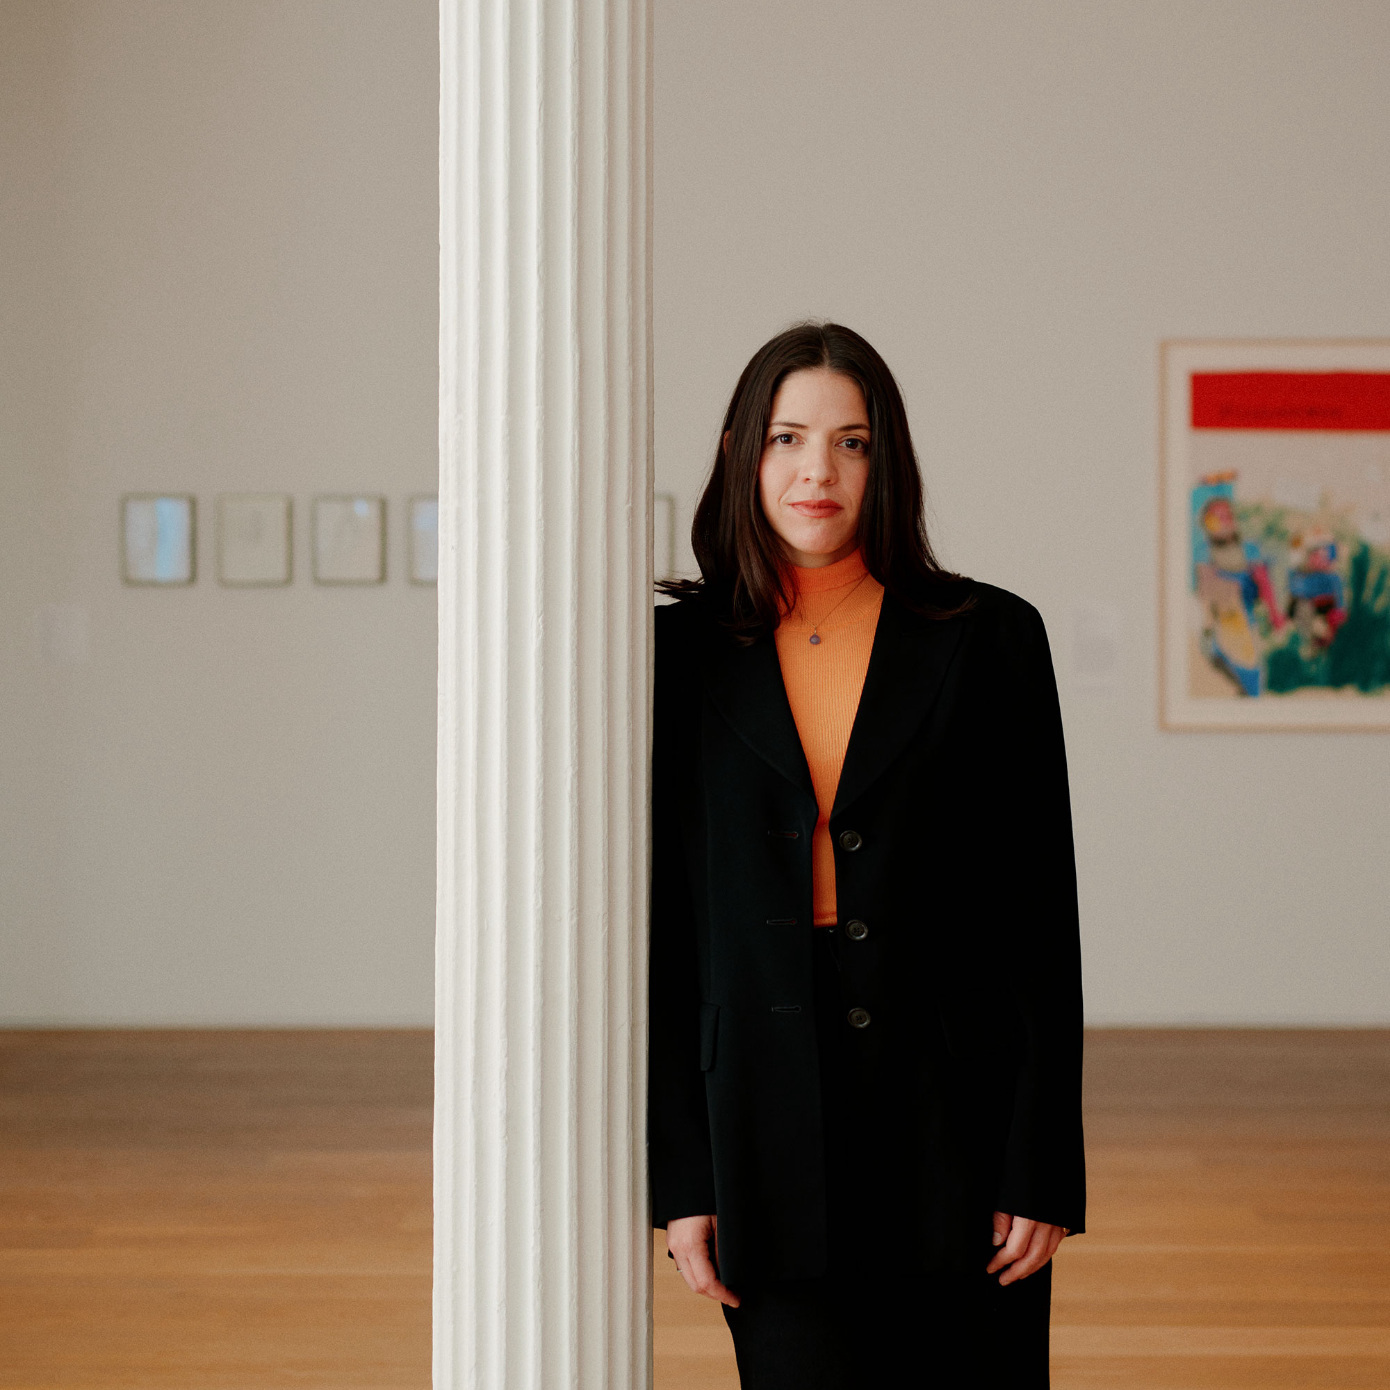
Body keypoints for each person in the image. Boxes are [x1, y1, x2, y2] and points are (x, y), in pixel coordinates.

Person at [649, 322, 1085, 1388]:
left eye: (852, 442)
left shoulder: (989, 638)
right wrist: (680, 1172)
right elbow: (663, 931)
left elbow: (1040, 916)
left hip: (956, 1115)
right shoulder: (669, 659)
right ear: (737, 452)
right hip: (758, 1110)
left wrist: (1042, 1165)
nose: (818, 470)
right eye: (788, 437)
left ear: (886, 462)